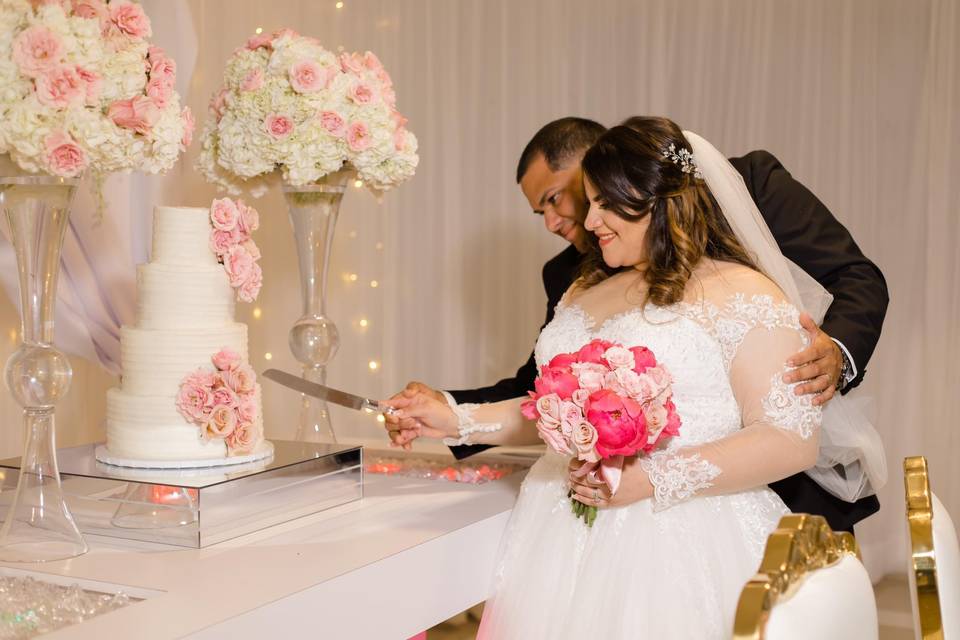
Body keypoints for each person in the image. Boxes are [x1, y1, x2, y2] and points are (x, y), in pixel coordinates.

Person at [383, 118, 883, 637]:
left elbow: (790, 441)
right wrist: (454, 418)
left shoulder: (744, 294)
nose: (585, 218)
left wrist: (647, 480)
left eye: (600, 202)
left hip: (686, 540)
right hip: (555, 536)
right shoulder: (579, 290)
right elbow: (545, 409)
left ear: (650, 198)